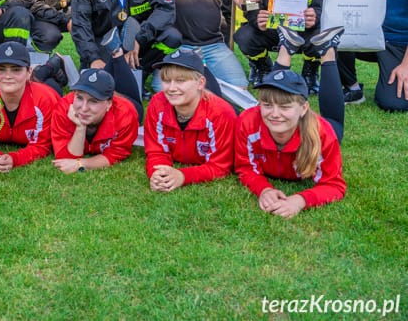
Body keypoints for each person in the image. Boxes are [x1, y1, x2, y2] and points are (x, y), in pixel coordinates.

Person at [235, 25, 346, 218]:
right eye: (266, 104)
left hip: (318, 126)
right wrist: (264, 189)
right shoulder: (248, 121)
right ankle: (285, 48)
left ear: (304, 108)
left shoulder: (322, 134)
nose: (275, 114)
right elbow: (244, 167)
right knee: (277, 90)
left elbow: (334, 185)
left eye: (285, 107)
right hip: (295, 120)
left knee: (334, 124)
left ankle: (328, 52)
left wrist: (301, 200)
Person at [144, 49, 237, 192]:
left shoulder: (222, 114)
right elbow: (156, 151)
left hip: (212, 108)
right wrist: (158, 174)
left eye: (180, 80)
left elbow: (220, 166)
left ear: (200, 83)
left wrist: (183, 176)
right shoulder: (157, 103)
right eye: (167, 81)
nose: (172, 88)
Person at [0, 41, 58, 172]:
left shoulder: (45, 99)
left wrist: (15, 158)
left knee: (52, 84)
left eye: (16, 70)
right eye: (1, 69)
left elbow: (42, 144)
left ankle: (53, 69)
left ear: (29, 72)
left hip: (45, 89)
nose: (8, 76)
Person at [50, 68, 138, 173]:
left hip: (130, 105)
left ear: (109, 103)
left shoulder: (125, 115)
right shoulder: (63, 108)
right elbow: (65, 159)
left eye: (93, 101)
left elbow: (116, 154)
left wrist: (82, 164)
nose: (83, 108)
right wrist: (80, 127)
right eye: (79, 98)